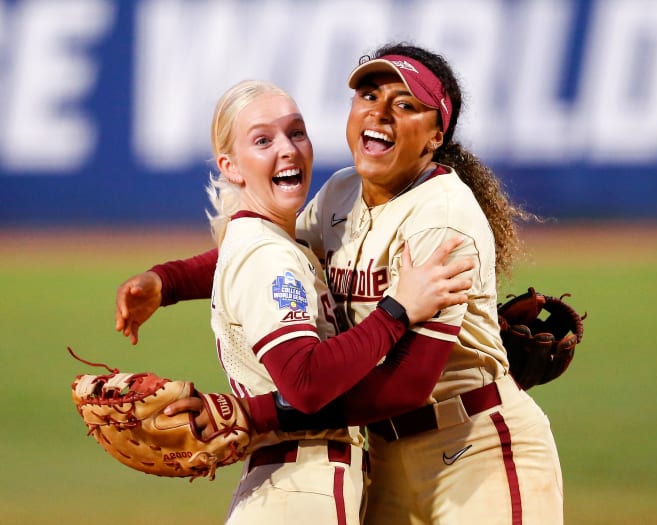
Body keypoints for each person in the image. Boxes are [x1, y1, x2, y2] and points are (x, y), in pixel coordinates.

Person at [116, 44, 564, 525]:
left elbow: (409, 386)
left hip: (474, 451)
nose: (381, 113)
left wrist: (257, 413)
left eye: (406, 104)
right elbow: (270, 253)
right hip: (386, 456)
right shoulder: (340, 194)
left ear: (435, 136)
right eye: (369, 95)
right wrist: (168, 282)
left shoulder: (442, 219)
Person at [146, 78, 472, 525]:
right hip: (301, 491)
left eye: (296, 132)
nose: (287, 149)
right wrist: (396, 311)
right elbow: (304, 381)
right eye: (263, 140)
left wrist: (168, 281)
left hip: (285, 488)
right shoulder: (270, 255)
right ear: (231, 166)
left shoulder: (271, 242)